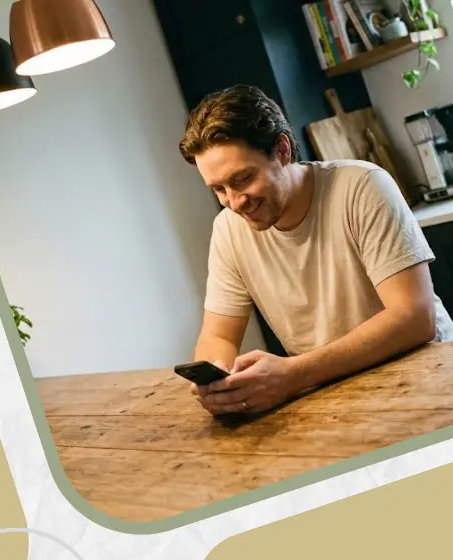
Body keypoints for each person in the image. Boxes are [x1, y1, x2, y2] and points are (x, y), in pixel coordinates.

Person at [178, 84, 453, 416]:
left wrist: (294, 374)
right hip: (333, 390)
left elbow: (414, 317)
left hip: (428, 374)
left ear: (282, 150)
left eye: (243, 179)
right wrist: (218, 381)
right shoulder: (228, 230)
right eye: (219, 189)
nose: (234, 202)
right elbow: (218, 336)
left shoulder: (362, 187)